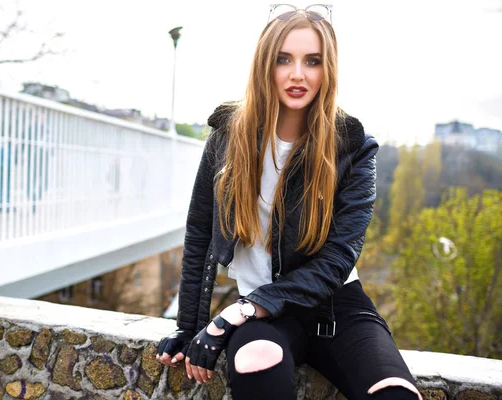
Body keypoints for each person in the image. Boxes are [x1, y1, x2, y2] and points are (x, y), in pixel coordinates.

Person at [156, 5, 423, 400]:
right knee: (255, 363)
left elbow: (338, 258)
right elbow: (200, 232)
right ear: (266, 65)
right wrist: (189, 326)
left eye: (312, 61)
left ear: (327, 69)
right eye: (284, 59)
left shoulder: (352, 146)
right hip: (265, 320)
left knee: (396, 394)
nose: (298, 74)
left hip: (337, 309)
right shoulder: (228, 136)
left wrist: (240, 310)